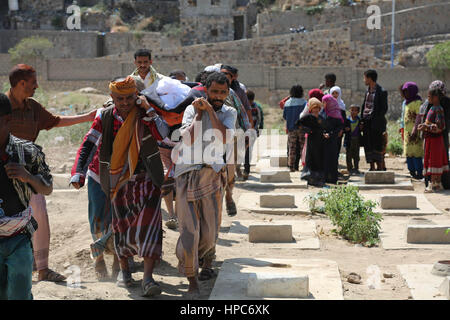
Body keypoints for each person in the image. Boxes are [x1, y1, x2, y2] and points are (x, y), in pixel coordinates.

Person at [74, 76, 169, 296]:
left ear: (137, 95)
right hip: (118, 183)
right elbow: (89, 143)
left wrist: (149, 111)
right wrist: (78, 171)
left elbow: (163, 134)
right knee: (122, 229)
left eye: (129, 97)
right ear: (112, 98)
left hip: (147, 179)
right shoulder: (105, 117)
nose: (125, 103)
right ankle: (124, 271)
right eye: (120, 98)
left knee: (150, 228)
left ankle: (147, 279)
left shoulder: (146, 113)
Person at [5, 64, 96, 282]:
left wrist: (87, 117)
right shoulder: (2, 106)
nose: (37, 86)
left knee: (39, 211)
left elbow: (54, 121)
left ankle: (42, 268)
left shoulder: (33, 107)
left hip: (29, 171)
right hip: (4, 172)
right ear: (21, 84)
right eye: (33, 83)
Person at [173, 72, 237, 298]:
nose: (218, 96)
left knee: (209, 235)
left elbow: (225, 138)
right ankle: (192, 281)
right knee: (190, 231)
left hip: (211, 176)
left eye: (222, 92)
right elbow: (188, 139)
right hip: (186, 174)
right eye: (214, 92)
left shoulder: (230, 112)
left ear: (227, 93)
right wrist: (200, 114)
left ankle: (195, 256)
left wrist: (210, 111)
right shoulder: (191, 110)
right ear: (206, 91)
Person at [0, 93, 53, 300]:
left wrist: (27, 176)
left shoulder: (27, 152)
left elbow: (47, 187)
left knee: (19, 295)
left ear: (7, 120)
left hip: (19, 238)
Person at [418, 88, 449, 192]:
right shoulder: (432, 108)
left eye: (429, 96)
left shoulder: (438, 109)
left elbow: (440, 126)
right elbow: (431, 124)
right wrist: (425, 125)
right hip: (431, 139)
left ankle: (435, 184)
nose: (428, 98)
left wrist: (426, 127)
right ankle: (435, 183)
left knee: (435, 161)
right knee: (432, 160)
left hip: (436, 140)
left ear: (435, 97)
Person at [360, 69, 388, 171]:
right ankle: (371, 166)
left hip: (376, 123)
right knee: (368, 145)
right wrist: (362, 120)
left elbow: (384, 109)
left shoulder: (381, 91)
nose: (364, 80)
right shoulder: (367, 91)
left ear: (370, 78)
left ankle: (380, 166)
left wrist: (375, 119)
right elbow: (365, 106)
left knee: (377, 145)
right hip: (367, 122)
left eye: (365, 78)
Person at [298, 98, 325, 187]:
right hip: (311, 141)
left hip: (320, 141)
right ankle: (309, 177)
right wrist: (308, 130)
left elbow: (324, 128)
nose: (316, 109)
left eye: (318, 107)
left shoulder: (321, 118)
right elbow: (298, 124)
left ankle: (318, 178)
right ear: (311, 108)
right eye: (314, 107)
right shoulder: (308, 117)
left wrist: (325, 133)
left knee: (319, 158)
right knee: (311, 158)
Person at [401, 82, 424, 180]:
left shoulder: (418, 103)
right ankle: (411, 171)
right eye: (404, 92)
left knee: (416, 152)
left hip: (415, 131)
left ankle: (419, 172)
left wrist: (415, 130)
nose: (405, 94)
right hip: (407, 132)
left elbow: (419, 117)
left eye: (407, 91)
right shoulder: (406, 103)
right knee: (408, 152)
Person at [283, 85, 307, 172]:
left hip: (291, 129)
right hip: (302, 128)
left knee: (292, 148)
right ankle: (304, 166)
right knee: (302, 148)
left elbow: (285, 116)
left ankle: (291, 166)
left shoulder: (287, 103)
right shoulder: (304, 102)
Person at [322, 95, 344, 184]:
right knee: (324, 159)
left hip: (332, 140)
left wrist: (330, 134)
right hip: (323, 140)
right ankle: (325, 178)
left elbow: (339, 128)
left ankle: (333, 178)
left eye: (324, 102)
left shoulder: (336, 114)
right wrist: (323, 133)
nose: (323, 104)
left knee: (332, 159)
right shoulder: (323, 113)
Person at [344, 105, 362, 175]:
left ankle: (356, 168)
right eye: (352, 110)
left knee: (356, 154)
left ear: (358, 112)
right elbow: (344, 129)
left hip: (357, 139)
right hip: (349, 139)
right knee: (349, 154)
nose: (353, 112)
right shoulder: (347, 120)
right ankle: (349, 168)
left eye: (355, 110)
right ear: (349, 111)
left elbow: (361, 129)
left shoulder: (359, 120)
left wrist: (361, 128)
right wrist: (346, 129)